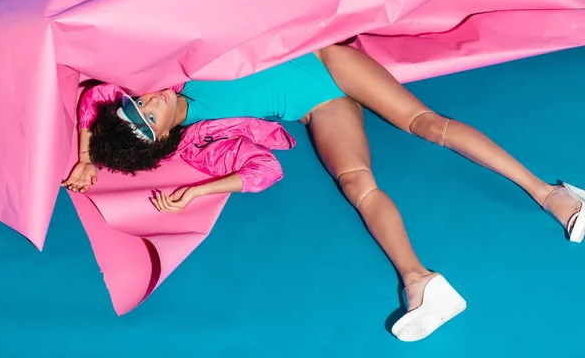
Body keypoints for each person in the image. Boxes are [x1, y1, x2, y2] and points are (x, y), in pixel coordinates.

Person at [62, 43, 585, 342]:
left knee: (426, 125)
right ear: (161, 135)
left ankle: (553, 196)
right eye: (147, 115)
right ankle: (420, 280)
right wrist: (200, 192)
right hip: (315, 108)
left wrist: (87, 157)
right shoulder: (200, 138)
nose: (147, 100)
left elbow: (96, 99)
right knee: (356, 183)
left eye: (138, 104)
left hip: (327, 62)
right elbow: (263, 170)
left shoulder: (170, 71)